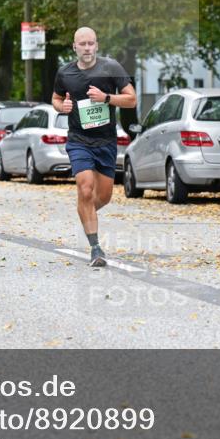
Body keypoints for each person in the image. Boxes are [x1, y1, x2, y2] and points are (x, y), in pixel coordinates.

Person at [52, 27, 137, 267]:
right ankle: (96, 248)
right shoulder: (65, 73)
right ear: (75, 47)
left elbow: (132, 99)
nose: (87, 48)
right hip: (79, 140)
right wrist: (62, 107)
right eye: (83, 44)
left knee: (104, 197)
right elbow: (56, 98)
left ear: (97, 46)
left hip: (106, 142)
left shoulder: (111, 68)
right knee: (85, 188)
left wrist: (107, 98)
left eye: (91, 44)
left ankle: (85, 211)